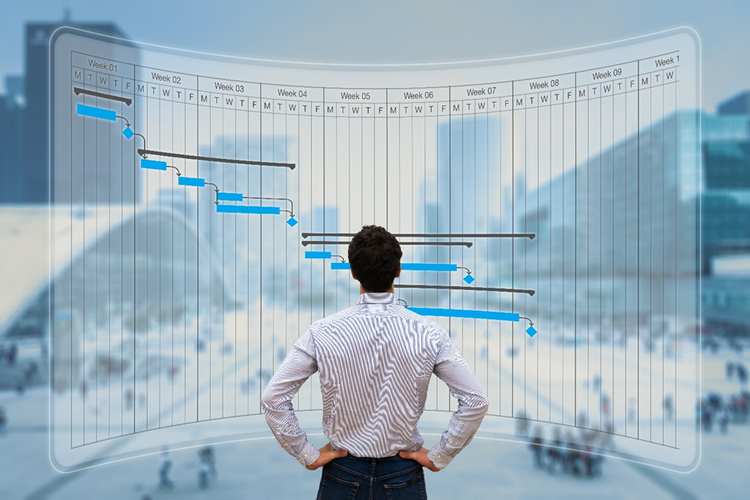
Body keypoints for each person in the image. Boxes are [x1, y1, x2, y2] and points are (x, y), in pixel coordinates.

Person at [262, 225, 489, 499]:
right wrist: (440, 456)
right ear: (398, 270)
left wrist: (306, 453)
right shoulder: (430, 333)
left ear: (353, 273)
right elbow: (476, 400)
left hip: (342, 473)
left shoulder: (322, 332)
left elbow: (273, 398)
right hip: (403, 475)